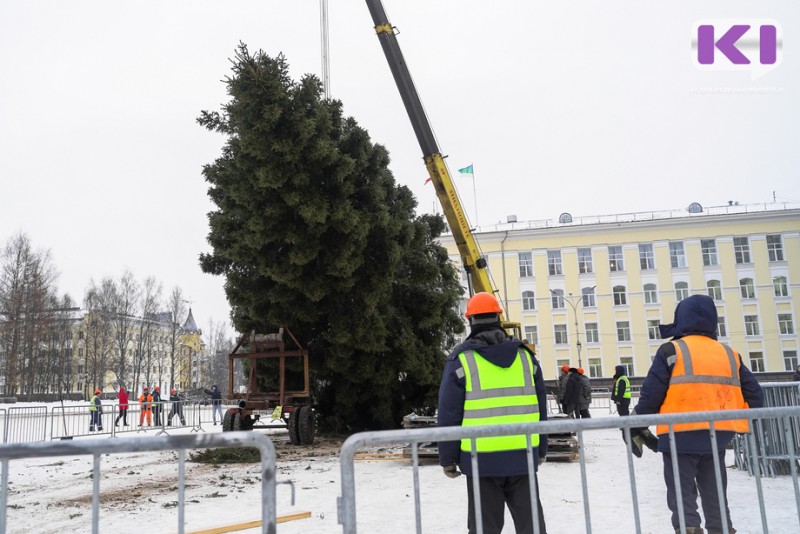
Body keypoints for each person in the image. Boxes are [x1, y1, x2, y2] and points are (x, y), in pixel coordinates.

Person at [634, 295, 763, 534]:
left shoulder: (672, 350)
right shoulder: (729, 353)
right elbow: (756, 397)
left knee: (682, 497)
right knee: (715, 493)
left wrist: (634, 422)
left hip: (678, 436)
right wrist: (735, 420)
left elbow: (651, 397)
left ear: (680, 319)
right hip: (718, 437)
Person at [438, 292, 548, 534]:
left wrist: (448, 457)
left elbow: (449, 412)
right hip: (523, 455)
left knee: (484, 528)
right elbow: (541, 409)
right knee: (532, 527)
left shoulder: (461, 361)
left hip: (481, 460)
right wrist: (541, 449)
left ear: (470, 321)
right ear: (499, 316)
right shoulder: (526, 358)